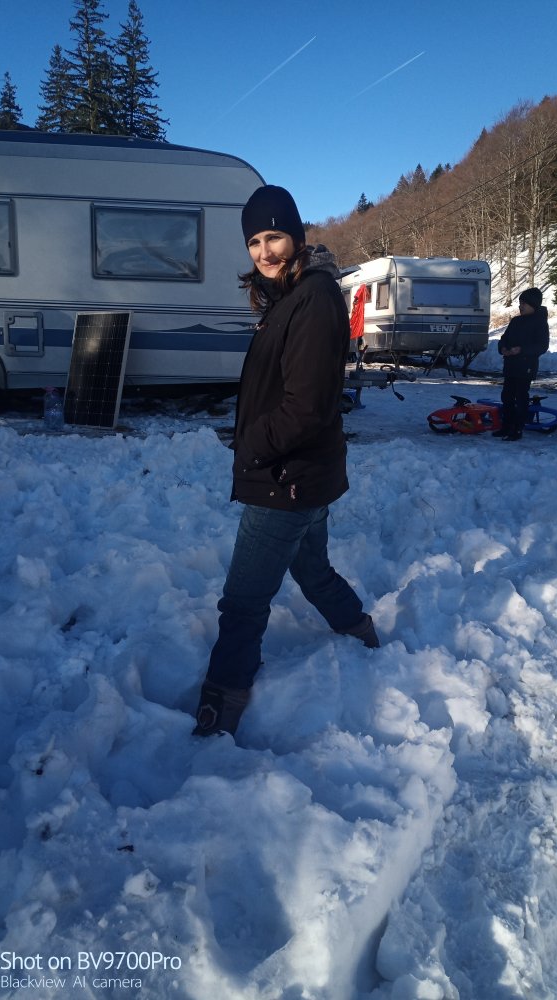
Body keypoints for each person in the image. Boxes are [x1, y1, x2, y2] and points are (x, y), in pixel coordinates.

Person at [192, 185, 379, 738]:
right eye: (254, 241)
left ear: (296, 236)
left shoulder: (313, 298)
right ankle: (358, 629)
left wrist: (252, 445)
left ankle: (221, 702)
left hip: (285, 478)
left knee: (243, 601)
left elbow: (307, 407)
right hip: (304, 475)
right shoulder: (292, 295)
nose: (264, 251)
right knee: (311, 568)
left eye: (273, 237)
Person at [494, 287, 550, 441]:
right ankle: (506, 426)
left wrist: (521, 350)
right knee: (507, 397)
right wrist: (503, 348)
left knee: (521, 397)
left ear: (533, 305)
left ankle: (517, 428)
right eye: (520, 303)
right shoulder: (516, 321)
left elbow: (542, 346)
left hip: (526, 367)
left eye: (524, 303)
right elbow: (504, 339)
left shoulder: (540, 322)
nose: (521, 306)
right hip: (511, 365)